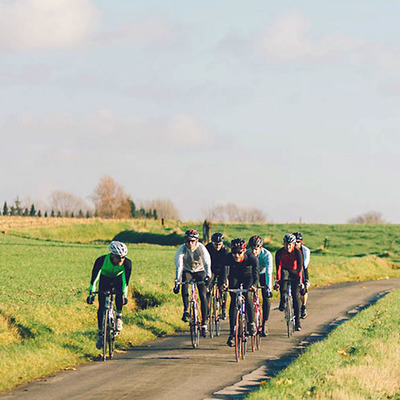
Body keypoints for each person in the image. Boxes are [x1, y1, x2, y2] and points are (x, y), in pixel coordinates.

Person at [87, 241, 132, 349]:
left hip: (118, 279)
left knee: (119, 295)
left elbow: (126, 281)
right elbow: (94, 278)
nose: (121, 260)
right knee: (101, 306)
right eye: (118, 257)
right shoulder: (101, 260)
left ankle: (119, 317)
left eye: (123, 257)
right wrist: (91, 293)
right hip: (104, 279)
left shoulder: (127, 263)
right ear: (112, 255)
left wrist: (124, 295)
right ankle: (100, 333)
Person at [174, 229, 211, 337]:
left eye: (192, 241)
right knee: (184, 285)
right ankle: (186, 311)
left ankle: (204, 323)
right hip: (187, 270)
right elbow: (179, 266)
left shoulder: (201, 248)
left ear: (196, 241)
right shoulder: (181, 249)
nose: (190, 243)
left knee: (203, 295)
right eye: (188, 241)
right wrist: (177, 281)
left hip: (200, 271)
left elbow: (207, 262)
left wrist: (208, 276)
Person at [223, 238, 259, 347]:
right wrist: (224, 283)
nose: (237, 256)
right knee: (233, 301)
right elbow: (224, 274)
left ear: (244, 251)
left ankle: (251, 322)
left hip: (248, 277)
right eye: (234, 253)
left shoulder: (251, 258)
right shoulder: (228, 258)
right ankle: (232, 334)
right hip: (234, 277)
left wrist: (254, 285)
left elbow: (256, 275)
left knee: (247, 295)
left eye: (239, 253)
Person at [274, 234, 303, 331]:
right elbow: (278, 268)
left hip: (295, 272)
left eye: (290, 244)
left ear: (294, 244)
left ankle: (298, 322)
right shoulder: (279, 252)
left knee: (295, 296)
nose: (288, 247)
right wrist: (277, 281)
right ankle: (283, 300)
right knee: (283, 284)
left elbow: (300, 268)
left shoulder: (297, 252)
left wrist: (300, 281)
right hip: (285, 271)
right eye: (286, 244)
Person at [248, 235, 273, 336]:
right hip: (251, 274)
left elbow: (269, 272)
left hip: (263, 274)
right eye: (252, 248)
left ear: (261, 248)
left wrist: (268, 287)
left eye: (256, 248)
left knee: (266, 296)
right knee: (248, 294)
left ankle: (265, 322)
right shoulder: (246, 253)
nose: (254, 251)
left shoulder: (267, 255)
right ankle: (250, 321)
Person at [206, 232, 229, 319]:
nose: (217, 246)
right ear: (212, 243)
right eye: (215, 244)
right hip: (211, 270)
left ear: (222, 243)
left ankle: (223, 308)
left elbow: (226, 267)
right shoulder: (207, 248)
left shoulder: (225, 251)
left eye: (219, 244)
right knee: (207, 289)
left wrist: (225, 279)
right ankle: (207, 310)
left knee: (223, 287)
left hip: (222, 270)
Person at [293, 232, 311, 319]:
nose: (296, 244)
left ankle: (303, 306)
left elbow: (304, 266)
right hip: (291, 269)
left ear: (301, 242)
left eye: (298, 242)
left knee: (303, 289)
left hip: (302, 268)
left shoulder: (305, 251)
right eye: (294, 242)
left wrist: (304, 280)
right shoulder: (288, 249)